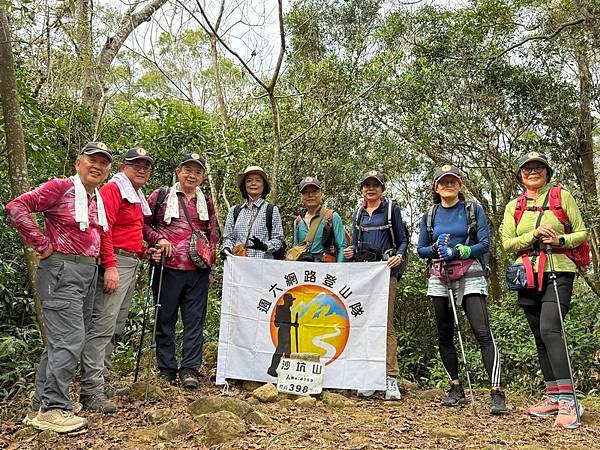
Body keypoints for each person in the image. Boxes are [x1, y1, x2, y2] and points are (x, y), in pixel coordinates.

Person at [6, 142, 112, 433]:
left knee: (60, 341)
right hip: (62, 271)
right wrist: (40, 243)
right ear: (79, 162)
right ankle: (54, 408)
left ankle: (40, 404)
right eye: (93, 160)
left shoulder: (95, 199)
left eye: (104, 163)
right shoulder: (60, 187)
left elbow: (100, 237)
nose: (98, 166)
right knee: (70, 340)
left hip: (87, 271)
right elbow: (17, 206)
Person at [501, 152, 587, 429]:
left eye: (539, 167)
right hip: (526, 274)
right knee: (539, 334)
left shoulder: (563, 196)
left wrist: (559, 238)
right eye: (527, 168)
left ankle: (570, 400)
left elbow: (582, 232)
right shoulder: (514, 205)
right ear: (520, 175)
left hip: (558, 269)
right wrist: (533, 236)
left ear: (548, 172)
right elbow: (507, 243)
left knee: (551, 329)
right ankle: (554, 395)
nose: (533, 171)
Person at [79, 147, 167, 412]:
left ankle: (102, 381)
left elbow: (129, 232)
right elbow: (104, 229)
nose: (141, 170)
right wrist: (110, 265)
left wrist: (144, 250)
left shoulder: (135, 194)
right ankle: (90, 390)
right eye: (135, 165)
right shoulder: (114, 190)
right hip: (115, 262)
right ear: (122, 167)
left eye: (145, 166)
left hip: (129, 260)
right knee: (102, 325)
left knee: (115, 325)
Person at [417, 165, 508, 415]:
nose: (448, 184)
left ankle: (496, 391)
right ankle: (455, 387)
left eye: (453, 180)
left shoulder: (472, 209)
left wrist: (461, 250)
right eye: (443, 181)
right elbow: (421, 249)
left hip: (471, 273)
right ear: (435, 187)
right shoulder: (429, 215)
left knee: (482, 331)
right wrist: (436, 248)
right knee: (444, 333)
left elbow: (485, 243)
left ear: (460, 184)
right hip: (439, 274)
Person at [143, 153, 216, 389]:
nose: (192, 175)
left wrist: (210, 267)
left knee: (194, 321)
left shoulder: (207, 204)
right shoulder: (161, 196)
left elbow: (211, 236)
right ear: (178, 171)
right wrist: (159, 239)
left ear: (203, 177)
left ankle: (189, 369)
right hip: (168, 267)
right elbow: (143, 223)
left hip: (197, 271)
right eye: (188, 170)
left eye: (197, 172)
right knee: (165, 318)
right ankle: (166, 368)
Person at [343, 170, 408, 400]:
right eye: (367, 185)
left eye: (376, 185)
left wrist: (399, 255)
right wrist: (350, 252)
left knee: (386, 324)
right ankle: (369, 376)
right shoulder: (359, 212)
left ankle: (390, 378)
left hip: (386, 273)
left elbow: (403, 240)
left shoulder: (391, 210)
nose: (371, 188)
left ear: (382, 188)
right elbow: (355, 242)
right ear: (362, 188)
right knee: (364, 324)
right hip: (364, 275)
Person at [222, 166, 284, 259]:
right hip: (238, 266)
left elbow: (278, 239)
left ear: (264, 185)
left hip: (262, 266)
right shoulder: (235, 211)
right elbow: (228, 237)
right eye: (249, 180)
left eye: (258, 180)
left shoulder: (271, 210)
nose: (253, 183)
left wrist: (264, 246)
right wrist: (227, 249)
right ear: (244, 185)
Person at [292, 176, 347, 262]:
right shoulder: (298, 222)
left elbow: (342, 246)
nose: (310, 195)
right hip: (305, 270)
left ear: (321, 194)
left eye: (314, 191)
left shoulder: (332, 217)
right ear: (301, 197)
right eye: (306, 192)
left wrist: (338, 270)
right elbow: (296, 248)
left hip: (326, 268)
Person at [267, 293, 299, 377]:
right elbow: (277, 324)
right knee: (279, 351)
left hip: (287, 333)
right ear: (287, 301)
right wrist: (292, 325)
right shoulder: (281, 309)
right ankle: (272, 369)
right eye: (291, 300)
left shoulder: (288, 310)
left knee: (288, 353)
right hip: (282, 334)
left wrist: (292, 324)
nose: (292, 302)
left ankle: (286, 373)